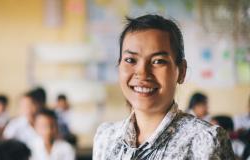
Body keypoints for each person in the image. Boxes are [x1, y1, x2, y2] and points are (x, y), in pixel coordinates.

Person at [93, 14, 234, 159]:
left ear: (182, 71)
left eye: (158, 61)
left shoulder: (205, 141)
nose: (142, 73)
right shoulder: (106, 137)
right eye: (130, 60)